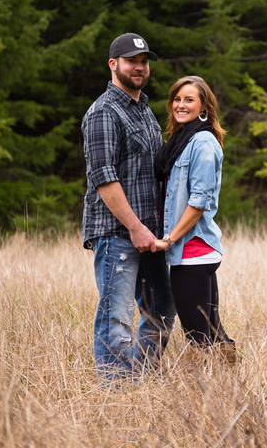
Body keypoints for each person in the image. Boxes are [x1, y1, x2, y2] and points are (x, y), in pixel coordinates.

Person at [82, 33, 176, 381]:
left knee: (163, 310)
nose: (139, 67)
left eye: (144, 61)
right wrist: (135, 228)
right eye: (132, 60)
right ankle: (118, 396)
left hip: (150, 234)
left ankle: (140, 380)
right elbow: (104, 179)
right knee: (116, 317)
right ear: (113, 64)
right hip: (119, 234)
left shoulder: (144, 111)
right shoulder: (103, 112)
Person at [153, 75, 236, 364]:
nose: (181, 105)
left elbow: (198, 202)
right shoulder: (181, 139)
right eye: (177, 99)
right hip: (190, 252)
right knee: (211, 332)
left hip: (193, 251)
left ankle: (215, 392)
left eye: (189, 99)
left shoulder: (202, 142)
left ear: (203, 106)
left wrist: (169, 238)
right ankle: (230, 380)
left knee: (199, 336)